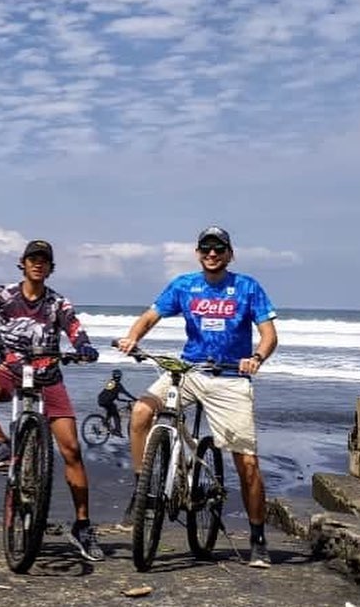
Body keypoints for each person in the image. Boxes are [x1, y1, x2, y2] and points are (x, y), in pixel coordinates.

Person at [117, 226, 278, 568]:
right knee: (141, 414)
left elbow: (269, 335)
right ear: (198, 252)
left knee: (246, 463)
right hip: (188, 371)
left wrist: (257, 358)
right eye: (206, 248)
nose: (212, 254)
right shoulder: (184, 285)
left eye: (219, 248)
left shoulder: (247, 287)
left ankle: (258, 537)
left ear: (229, 254)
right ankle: (143, 491)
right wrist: (132, 338)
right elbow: (149, 317)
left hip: (231, 377)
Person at [0, 238, 105, 563]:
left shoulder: (58, 303)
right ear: (22, 263)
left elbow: (75, 330)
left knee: (72, 450)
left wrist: (84, 348)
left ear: (51, 268)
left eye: (44, 260)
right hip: (9, 373)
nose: (38, 264)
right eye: (32, 259)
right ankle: (3, 442)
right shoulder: (1, 295)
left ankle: (82, 526)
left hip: (48, 379)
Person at [96, 368, 134, 438]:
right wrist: (134, 399)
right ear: (120, 376)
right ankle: (117, 431)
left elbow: (113, 395)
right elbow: (126, 393)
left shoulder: (110, 382)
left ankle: (105, 423)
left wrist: (124, 400)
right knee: (116, 415)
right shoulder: (118, 385)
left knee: (111, 410)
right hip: (107, 401)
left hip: (101, 399)